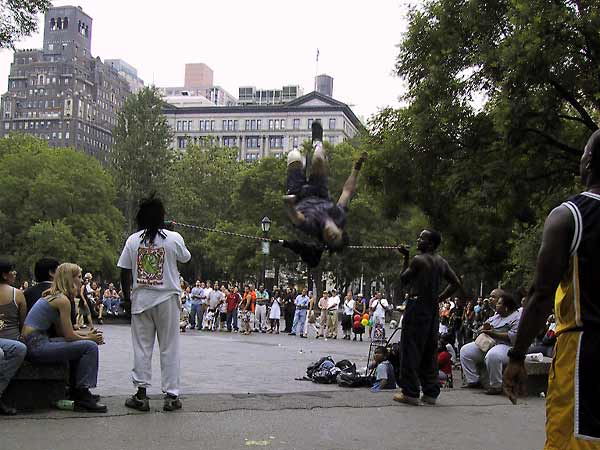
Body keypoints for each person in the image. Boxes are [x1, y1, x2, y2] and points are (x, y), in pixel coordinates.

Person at [503, 130, 600, 448]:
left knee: (574, 440)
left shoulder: (569, 217)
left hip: (584, 350)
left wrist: (517, 356)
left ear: (588, 161)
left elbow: (541, 294)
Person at [118, 195, 191, 412]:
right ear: (162, 217)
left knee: (142, 348)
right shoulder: (173, 238)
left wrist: (127, 298)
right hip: (167, 298)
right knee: (170, 347)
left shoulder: (133, 240)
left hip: (141, 300)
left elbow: (124, 270)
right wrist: (169, 231)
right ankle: (171, 395)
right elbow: (186, 258)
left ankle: (141, 395)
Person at [277, 122, 367, 267]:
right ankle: (317, 142)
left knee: (294, 156)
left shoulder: (312, 228)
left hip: (299, 195)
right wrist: (357, 167)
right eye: (335, 237)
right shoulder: (339, 216)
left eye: (329, 240)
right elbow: (347, 191)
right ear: (340, 230)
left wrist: (289, 205)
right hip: (319, 191)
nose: (330, 236)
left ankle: (302, 164)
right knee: (318, 158)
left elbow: (296, 218)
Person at [21, 263, 106, 412]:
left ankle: (76, 389)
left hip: (35, 342)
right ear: (70, 279)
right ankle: (83, 393)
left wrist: (87, 335)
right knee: (89, 347)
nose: (82, 281)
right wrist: (90, 339)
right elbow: (68, 335)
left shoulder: (55, 296)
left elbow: (63, 333)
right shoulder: (63, 300)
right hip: (37, 345)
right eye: (79, 277)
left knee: (84, 345)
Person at [393, 229, 461, 406]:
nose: (418, 240)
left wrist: (405, 258)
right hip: (432, 309)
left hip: (416, 306)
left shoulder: (418, 260)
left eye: (422, 238)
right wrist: (439, 298)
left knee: (410, 349)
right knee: (429, 350)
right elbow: (456, 283)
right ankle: (431, 392)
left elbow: (403, 279)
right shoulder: (442, 262)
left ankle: (410, 392)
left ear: (430, 244)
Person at [459, 291, 520, 395]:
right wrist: (484, 328)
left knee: (493, 356)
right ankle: (473, 380)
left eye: (499, 303)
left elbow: (513, 337)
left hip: (507, 346)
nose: (496, 305)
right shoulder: (497, 316)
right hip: (490, 343)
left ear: (506, 307)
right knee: (465, 351)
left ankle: (496, 386)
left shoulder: (517, 317)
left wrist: (494, 333)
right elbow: (485, 325)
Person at [0, 259, 28, 415]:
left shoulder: (17, 294)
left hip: (11, 344)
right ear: (5, 275)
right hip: (10, 341)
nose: (15, 273)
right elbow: (23, 323)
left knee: (14, 350)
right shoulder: (18, 295)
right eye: (12, 270)